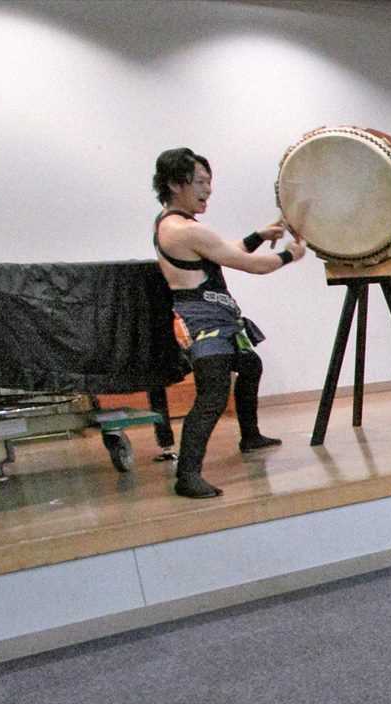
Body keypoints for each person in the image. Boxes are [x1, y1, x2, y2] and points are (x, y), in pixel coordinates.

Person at [151, 147, 305, 499]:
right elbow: (253, 265)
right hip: (201, 321)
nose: (208, 190)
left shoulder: (178, 225)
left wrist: (257, 237)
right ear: (176, 185)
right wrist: (288, 255)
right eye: (201, 182)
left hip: (215, 316)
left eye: (209, 181)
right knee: (213, 394)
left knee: (249, 364)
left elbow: (223, 251)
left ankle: (249, 435)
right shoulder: (184, 229)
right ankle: (187, 476)